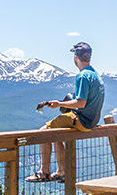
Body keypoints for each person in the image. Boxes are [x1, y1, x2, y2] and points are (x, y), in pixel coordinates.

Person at [27, 41, 105, 182]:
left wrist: (59, 104)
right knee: (56, 134)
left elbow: (81, 103)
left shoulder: (83, 76)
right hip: (92, 121)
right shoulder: (96, 75)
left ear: (76, 57)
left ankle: (44, 171)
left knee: (44, 131)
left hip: (81, 119)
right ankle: (61, 172)